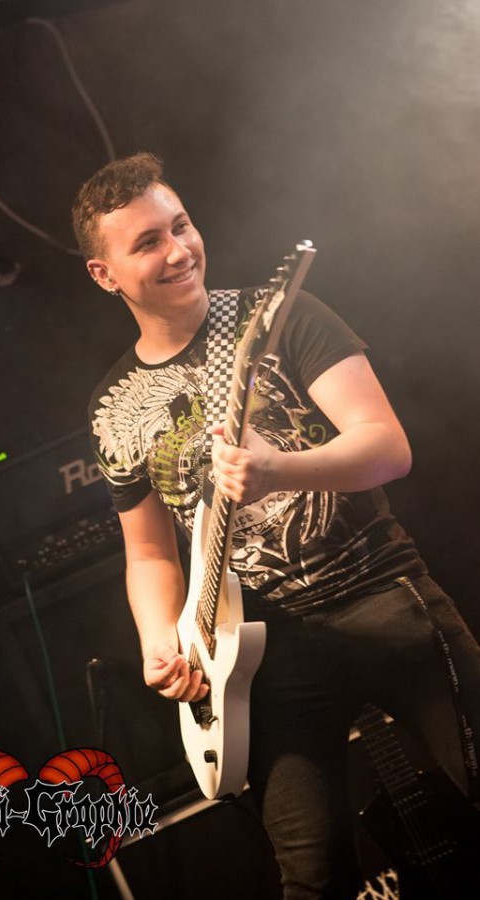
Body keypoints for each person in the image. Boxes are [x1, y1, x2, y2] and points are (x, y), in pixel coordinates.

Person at [72, 152, 480, 899]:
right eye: (148, 242)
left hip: (381, 598)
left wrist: (280, 469)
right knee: (311, 878)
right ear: (104, 274)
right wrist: (160, 641)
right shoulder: (113, 405)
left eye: (181, 226)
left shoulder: (282, 316)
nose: (178, 250)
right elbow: (149, 553)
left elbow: (387, 448)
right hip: (261, 658)